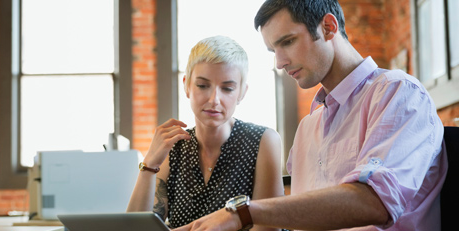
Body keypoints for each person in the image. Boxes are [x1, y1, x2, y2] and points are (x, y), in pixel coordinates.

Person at [175, 1, 447, 231]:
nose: (279, 62)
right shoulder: (308, 128)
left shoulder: (398, 94)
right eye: (273, 51)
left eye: (288, 42)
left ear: (328, 27)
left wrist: (242, 212)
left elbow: (374, 201)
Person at [126, 35, 284, 231]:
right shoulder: (174, 147)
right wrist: (150, 163)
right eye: (202, 85)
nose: (214, 99)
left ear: (242, 92)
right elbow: (135, 228)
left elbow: (269, 228)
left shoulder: (263, 141)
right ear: (186, 85)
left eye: (227, 88)